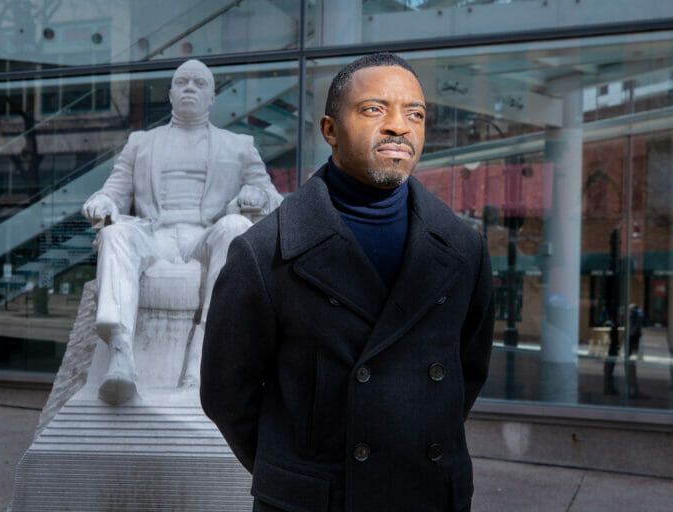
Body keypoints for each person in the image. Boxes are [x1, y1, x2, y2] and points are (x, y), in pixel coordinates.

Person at [201, 53, 494, 511]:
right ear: (330, 130)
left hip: (431, 494)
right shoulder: (264, 252)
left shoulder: (464, 249)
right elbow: (225, 393)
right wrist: (292, 469)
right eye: (374, 109)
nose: (399, 126)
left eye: (414, 114)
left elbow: (467, 373)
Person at [81, 59, 282, 405]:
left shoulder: (239, 146)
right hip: (153, 235)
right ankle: (121, 355)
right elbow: (113, 193)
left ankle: (202, 359)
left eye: (199, 83)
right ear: (171, 94)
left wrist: (258, 197)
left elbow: (275, 200)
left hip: (204, 236)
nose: (190, 88)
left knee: (235, 227)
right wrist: (101, 203)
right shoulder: (140, 143)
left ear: (212, 97)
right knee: (114, 233)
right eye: (182, 82)